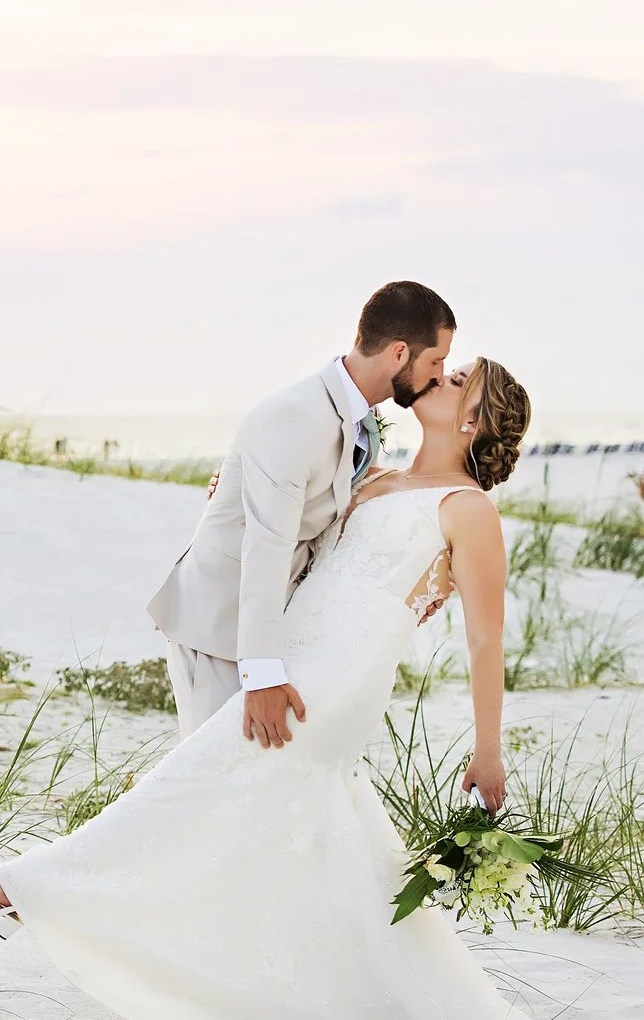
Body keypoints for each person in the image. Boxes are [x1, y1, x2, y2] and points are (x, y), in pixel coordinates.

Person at [0, 358, 563, 1020]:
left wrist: (490, 751)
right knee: (294, 821)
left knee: (204, 773)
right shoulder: (378, 479)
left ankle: (26, 887)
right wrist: (235, 496)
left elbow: (486, 639)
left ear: (474, 421)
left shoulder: (467, 508)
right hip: (289, 653)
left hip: (341, 675)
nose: (439, 377)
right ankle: (361, 988)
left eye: (458, 382)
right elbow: (289, 537)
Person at [145, 280, 454, 738]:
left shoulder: (355, 418)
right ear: (399, 353)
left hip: (267, 623)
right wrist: (262, 674)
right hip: (216, 621)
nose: (439, 375)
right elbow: (267, 545)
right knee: (213, 778)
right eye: (436, 361)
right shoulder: (295, 416)